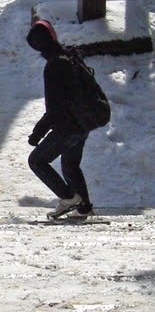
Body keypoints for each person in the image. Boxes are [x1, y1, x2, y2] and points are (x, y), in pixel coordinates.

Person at [26, 19, 94, 219]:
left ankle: (68, 198)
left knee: (37, 161)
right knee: (71, 165)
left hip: (69, 126)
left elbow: (55, 108)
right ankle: (84, 207)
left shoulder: (54, 66)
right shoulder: (72, 56)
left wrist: (38, 133)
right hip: (84, 122)